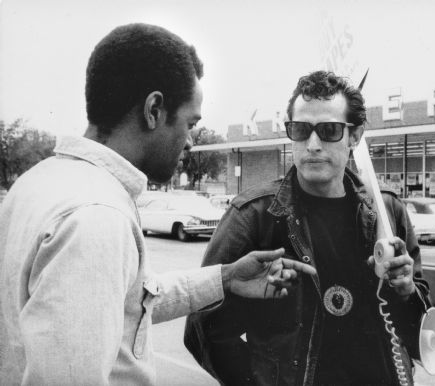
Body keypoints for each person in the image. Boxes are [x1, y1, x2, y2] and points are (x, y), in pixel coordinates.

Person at [0, 24, 315, 385]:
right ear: (154, 110)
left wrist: (226, 277)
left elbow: (130, 301)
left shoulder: (38, 182)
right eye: (190, 123)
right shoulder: (96, 216)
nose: (191, 142)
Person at [184, 71, 430, 385]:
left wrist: (408, 291)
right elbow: (203, 329)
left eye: (329, 130)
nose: (312, 144)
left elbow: (423, 328)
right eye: (301, 130)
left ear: (354, 136)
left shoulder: (388, 213)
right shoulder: (254, 215)